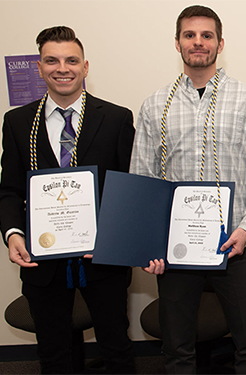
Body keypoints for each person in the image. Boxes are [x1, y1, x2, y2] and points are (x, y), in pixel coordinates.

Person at [130, 5, 246, 374]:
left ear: (220, 43)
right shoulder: (154, 105)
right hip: (176, 251)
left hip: (235, 244)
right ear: (178, 43)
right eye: (189, 35)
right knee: (176, 346)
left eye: (206, 35)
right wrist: (148, 243)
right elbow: (143, 180)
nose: (198, 42)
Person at [0, 26, 135, 374]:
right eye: (52, 60)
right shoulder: (17, 122)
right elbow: (10, 189)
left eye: (71, 60)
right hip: (41, 261)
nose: (63, 68)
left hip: (103, 259)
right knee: (53, 352)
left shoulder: (117, 119)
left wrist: (116, 238)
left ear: (85, 67)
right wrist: (13, 233)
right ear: (40, 67)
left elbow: (128, 189)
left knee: (116, 348)